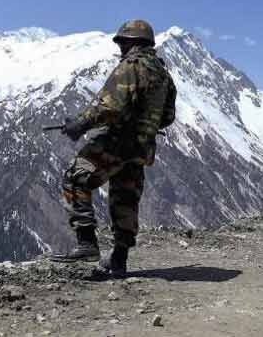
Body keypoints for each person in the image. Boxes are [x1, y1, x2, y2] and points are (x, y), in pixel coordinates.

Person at [48, 19, 177, 278]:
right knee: (125, 199)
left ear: (131, 42)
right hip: (141, 147)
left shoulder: (130, 67)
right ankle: (119, 260)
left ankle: (87, 244)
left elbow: (109, 107)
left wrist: (79, 125)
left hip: (117, 142)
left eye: (122, 42)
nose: (120, 48)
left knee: (75, 179)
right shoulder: (162, 73)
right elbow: (168, 116)